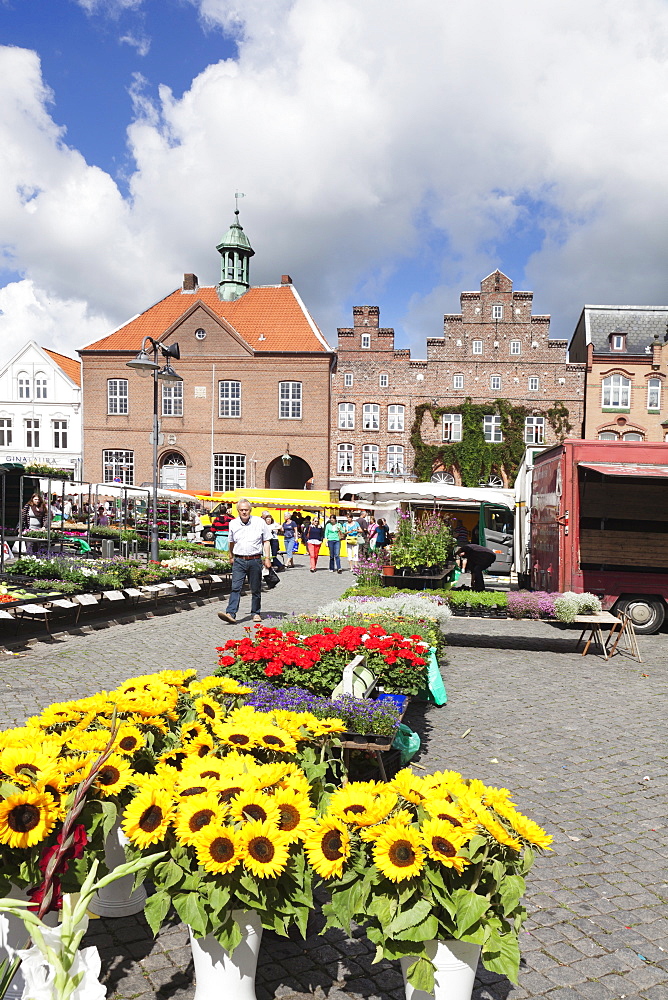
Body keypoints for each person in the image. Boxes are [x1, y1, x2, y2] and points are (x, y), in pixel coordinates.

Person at [218, 499, 272, 624]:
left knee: (256, 588)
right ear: (238, 511)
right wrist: (230, 556)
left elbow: (266, 541)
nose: (244, 512)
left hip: (255, 559)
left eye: (246, 510)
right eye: (241, 510)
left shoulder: (259, 522)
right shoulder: (233, 523)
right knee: (235, 587)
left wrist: (267, 558)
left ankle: (256, 613)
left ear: (250, 510)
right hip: (239, 560)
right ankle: (230, 613)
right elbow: (231, 542)